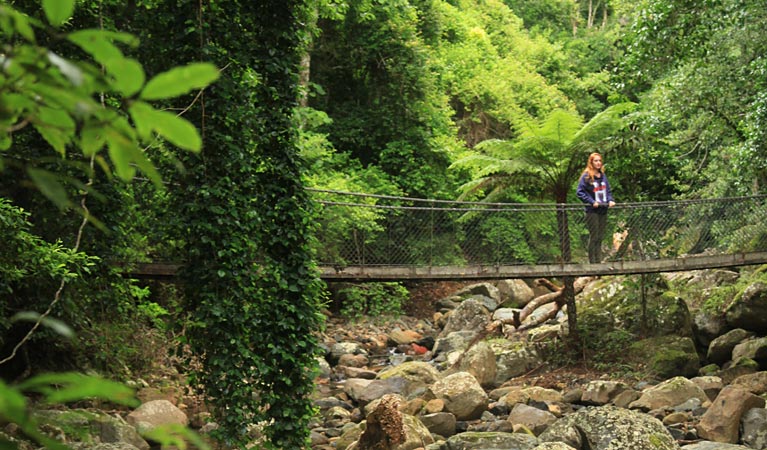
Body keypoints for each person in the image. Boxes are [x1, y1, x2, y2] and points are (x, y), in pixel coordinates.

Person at [576, 152, 615, 263]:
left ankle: (599, 260)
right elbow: (580, 192)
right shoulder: (587, 176)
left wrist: (610, 200)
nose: (598, 163)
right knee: (594, 235)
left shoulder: (603, 176)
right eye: (595, 161)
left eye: (599, 161)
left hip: (603, 209)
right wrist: (591, 201)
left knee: (600, 236)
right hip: (592, 211)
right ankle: (592, 261)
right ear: (591, 162)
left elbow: (607, 190)